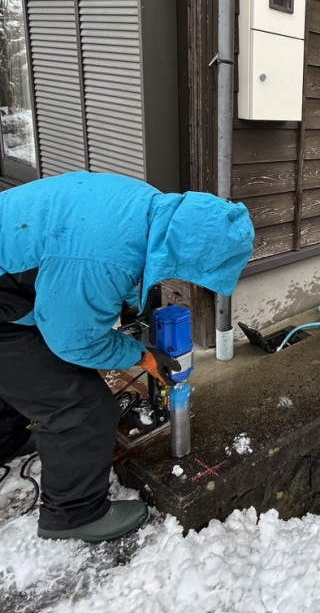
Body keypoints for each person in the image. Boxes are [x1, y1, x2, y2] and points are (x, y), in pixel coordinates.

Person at [0, 171, 255, 543]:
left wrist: (128, 307)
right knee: (80, 403)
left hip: (14, 269)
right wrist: (141, 356)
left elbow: (125, 265)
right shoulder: (104, 258)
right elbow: (73, 342)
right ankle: (73, 513)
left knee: (31, 368)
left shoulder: (148, 205)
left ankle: (6, 440)